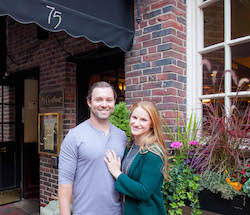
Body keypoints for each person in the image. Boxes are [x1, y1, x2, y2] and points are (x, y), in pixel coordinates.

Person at [58, 81, 127, 215]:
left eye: (109, 100)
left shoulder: (121, 136)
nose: (104, 104)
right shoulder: (74, 136)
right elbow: (65, 182)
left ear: (114, 103)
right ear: (89, 102)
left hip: (117, 212)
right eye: (98, 100)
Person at [104, 101, 169, 215]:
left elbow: (143, 192)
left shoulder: (153, 153)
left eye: (143, 120)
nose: (136, 123)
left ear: (152, 124)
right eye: (134, 117)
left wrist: (116, 172)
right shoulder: (130, 146)